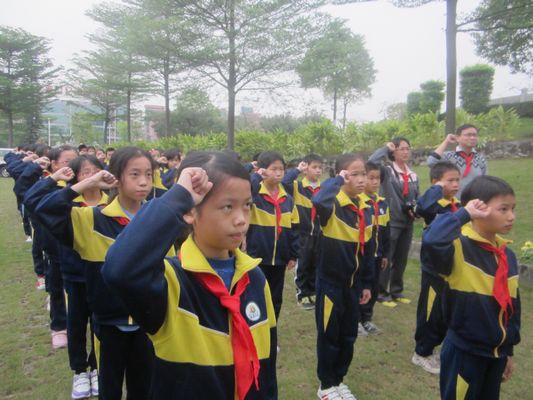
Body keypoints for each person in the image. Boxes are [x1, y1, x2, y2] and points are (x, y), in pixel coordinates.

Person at [103, 151, 278, 399]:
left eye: (247, 206)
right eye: (227, 207)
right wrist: (178, 198)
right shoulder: (170, 282)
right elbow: (119, 269)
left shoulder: (254, 277)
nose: (241, 220)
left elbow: (267, 368)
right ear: (190, 212)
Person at [33, 147, 165, 400]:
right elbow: (42, 209)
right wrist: (88, 182)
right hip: (108, 325)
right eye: (134, 174)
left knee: (144, 390)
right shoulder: (91, 219)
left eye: (148, 174)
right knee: (109, 390)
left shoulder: (158, 219)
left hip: (148, 327)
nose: (143, 182)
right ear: (115, 176)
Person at [422, 176, 520, 399]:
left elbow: (512, 307)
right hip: (464, 352)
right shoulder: (457, 248)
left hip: (495, 354)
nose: (511, 216)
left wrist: (507, 351)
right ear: (479, 209)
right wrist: (464, 214)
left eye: (513, 209)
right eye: (503, 209)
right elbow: (432, 240)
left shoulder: (507, 255)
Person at [24, 155, 107, 398]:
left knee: (101, 325)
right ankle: (80, 370)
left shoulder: (111, 203)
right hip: (75, 275)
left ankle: (97, 367)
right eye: (84, 172)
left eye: (95, 171)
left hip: (104, 276)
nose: (90, 176)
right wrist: (54, 179)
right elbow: (32, 202)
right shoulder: (67, 204)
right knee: (77, 322)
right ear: (75, 177)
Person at [312, 153, 372, 400]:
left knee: (348, 336)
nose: (361, 180)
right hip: (330, 285)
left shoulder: (365, 208)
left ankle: (338, 380)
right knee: (329, 335)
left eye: (363, 174)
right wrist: (337, 180)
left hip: (353, 286)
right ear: (342, 176)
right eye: (353, 174)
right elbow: (318, 200)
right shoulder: (331, 205)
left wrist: (367, 283)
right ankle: (325, 386)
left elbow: (368, 249)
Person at [20, 145, 78, 349]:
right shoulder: (47, 184)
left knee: (77, 290)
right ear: (54, 164)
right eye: (66, 161)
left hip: (78, 249)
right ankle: (59, 327)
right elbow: (26, 196)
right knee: (56, 287)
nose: (71, 166)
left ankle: (76, 322)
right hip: (54, 249)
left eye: (74, 161)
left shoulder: (79, 185)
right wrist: (51, 178)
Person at [411, 161, 461, 375]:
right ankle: (421, 352)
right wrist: (438, 187)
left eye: (458, 180)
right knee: (430, 312)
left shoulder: (457, 205)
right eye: (450, 180)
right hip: (434, 268)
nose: (455, 184)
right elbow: (422, 207)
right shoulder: (435, 203)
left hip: (452, 268)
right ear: (436, 182)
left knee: (445, 312)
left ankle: (436, 348)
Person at [247, 151, 299, 322]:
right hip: (257, 257)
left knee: (275, 298)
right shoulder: (255, 195)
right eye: (273, 169)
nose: (278, 173)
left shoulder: (288, 200)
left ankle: (271, 330)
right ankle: (254, 329)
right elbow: (247, 189)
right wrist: (256, 177)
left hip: (280, 259)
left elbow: (294, 229)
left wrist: (293, 255)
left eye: (281, 169)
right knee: (255, 295)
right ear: (263, 170)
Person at [369, 137, 419, 306]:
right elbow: (371, 161)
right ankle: (382, 292)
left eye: (407, 148)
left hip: (408, 221)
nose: (405, 152)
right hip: (391, 220)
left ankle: (397, 291)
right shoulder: (387, 171)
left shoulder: (412, 174)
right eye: (401, 149)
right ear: (394, 152)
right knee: (387, 258)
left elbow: (415, 196)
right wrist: (386, 148)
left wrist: (416, 209)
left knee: (402, 258)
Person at [281, 153, 323, 310]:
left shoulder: (323, 188)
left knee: (315, 263)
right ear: (306, 169)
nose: (318, 170)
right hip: (303, 233)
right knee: (303, 264)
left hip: (318, 233)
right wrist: (297, 169)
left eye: (320, 167)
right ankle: (302, 294)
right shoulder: (298, 187)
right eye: (314, 167)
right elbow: (284, 181)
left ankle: (312, 291)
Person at [358, 161, 390, 335]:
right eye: (371, 178)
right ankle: (356, 320)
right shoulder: (359, 203)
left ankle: (367, 318)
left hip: (377, 255)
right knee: (360, 286)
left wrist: (385, 253)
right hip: (362, 254)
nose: (375, 182)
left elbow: (386, 232)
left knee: (373, 286)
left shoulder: (382, 204)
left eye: (378, 178)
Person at [427, 124, 487, 198]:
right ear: (458, 138)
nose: (472, 138)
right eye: (468, 135)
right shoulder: (448, 156)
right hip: (453, 202)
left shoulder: (480, 159)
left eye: (475, 135)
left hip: (474, 202)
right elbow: (431, 162)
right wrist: (446, 141)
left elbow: (485, 182)